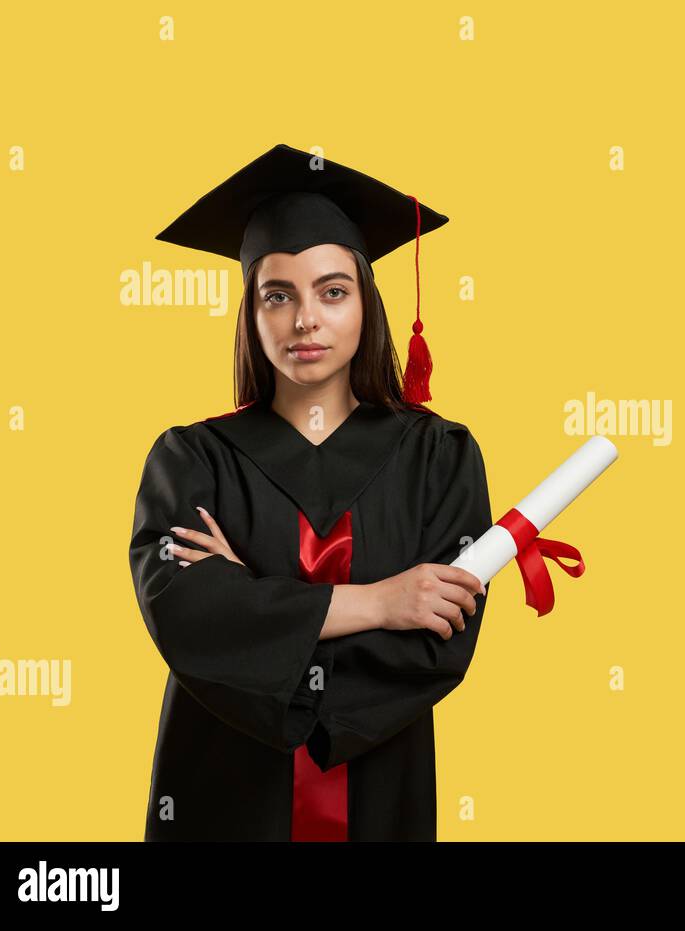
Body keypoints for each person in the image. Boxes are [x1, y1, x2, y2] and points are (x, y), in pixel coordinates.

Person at [129, 144, 492, 841]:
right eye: (278, 294)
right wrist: (381, 601)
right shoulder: (192, 459)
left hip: (380, 792)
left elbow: (439, 644)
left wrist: (254, 610)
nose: (305, 320)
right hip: (222, 796)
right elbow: (186, 618)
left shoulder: (437, 458)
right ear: (251, 311)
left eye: (332, 291)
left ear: (365, 301)